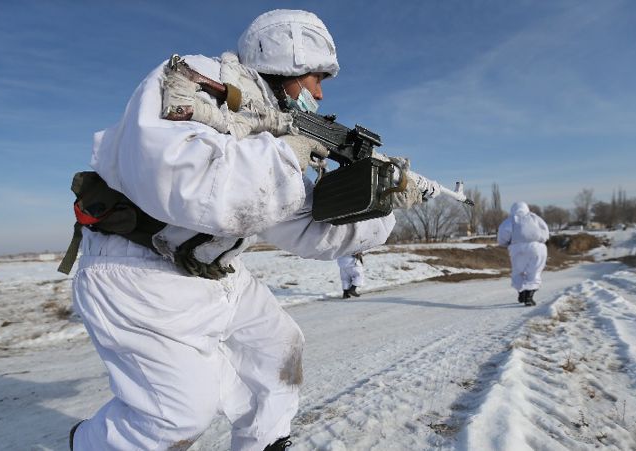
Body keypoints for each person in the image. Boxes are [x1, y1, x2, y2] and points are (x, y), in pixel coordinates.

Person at [68, 9, 433, 451]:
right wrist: (289, 153)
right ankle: (89, 442)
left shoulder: (277, 136)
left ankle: (265, 442)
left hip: (217, 270)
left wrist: (379, 204)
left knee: (276, 348)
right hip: (140, 273)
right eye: (316, 77)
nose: (319, 93)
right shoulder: (197, 78)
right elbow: (190, 186)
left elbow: (304, 230)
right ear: (287, 64)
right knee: (178, 414)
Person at [497, 202, 550, 306]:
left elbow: (503, 235)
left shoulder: (510, 220)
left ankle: (521, 292)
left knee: (518, 272)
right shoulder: (536, 218)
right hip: (537, 247)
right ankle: (529, 297)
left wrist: (506, 243)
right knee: (534, 272)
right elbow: (545, 232)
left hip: (517, 248)